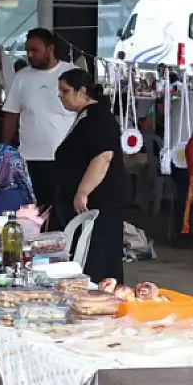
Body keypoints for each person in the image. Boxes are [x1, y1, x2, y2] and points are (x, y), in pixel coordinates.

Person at [55, 69, 129, 283]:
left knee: (99, 255)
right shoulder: (86, 116)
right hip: (95, 199)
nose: (61, 95)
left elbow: (103, 156)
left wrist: (83, 191)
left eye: (65, 90)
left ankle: (101, 296)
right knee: (93, 252)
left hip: (101, 198)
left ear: (82, 92)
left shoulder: (98, 117)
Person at [2, 28, 74, 211]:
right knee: (32, 212)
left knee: (62, 210)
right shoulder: (21, 77)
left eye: (35, 50)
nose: (30, 55)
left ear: (50, 48)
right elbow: (11, 114)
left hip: (64, 158)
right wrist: (4, 149)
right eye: (27, 51)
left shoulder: (72, 74)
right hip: (29, 158)